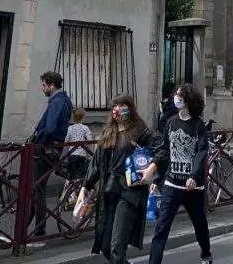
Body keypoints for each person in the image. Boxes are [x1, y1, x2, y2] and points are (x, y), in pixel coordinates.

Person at [76, 93, 155, 264]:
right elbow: (96, 163)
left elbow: (155, 154)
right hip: (108, 190)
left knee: (116, 248)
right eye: (114, 106)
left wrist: (151, 172)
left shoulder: (140, 131)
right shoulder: (108, 131)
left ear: (129, 108)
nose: (117, 109)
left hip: (129, 192)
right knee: (105, 246)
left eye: (121, 105)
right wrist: (84, 188)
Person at [141, 83, 212, 264]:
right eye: (176, 95)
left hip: (192, 187)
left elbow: (201, 152)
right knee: (161, 227)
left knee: (200, 225)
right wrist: (157, 177)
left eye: (180, 96)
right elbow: (165, 150)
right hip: (172, 183)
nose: (176, 99)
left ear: (188, 100)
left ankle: (206, 254)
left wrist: (194, 176)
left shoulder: (198, 125)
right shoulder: (171, 122)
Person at [27, 71, 72, 244]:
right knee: (34, 188)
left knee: (38, 189)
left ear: (51, 85)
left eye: (44, 85)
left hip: (46, 149)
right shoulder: (61, 101)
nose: (43, 88)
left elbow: (51, 128)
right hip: (50, 149)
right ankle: (26, 227)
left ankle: (39, 231)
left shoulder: (58, 102)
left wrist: (39, 138)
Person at [65, 107, 93, 181]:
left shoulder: (70, 128)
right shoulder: (85, 128)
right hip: (82, 155)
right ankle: (79, 190)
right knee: (81, 176)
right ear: (83, 117)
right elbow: (90, 140)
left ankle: (72, 190)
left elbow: (66, 141)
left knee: (72, 176)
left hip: (72, 154)